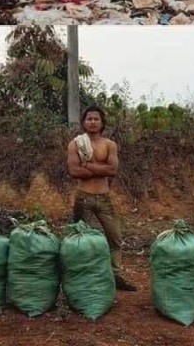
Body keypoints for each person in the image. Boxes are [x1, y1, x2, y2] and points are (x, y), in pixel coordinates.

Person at [67, 105, 138, 291]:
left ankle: (115, 275)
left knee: (115, 238)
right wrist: (100, 169)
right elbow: (74, 171)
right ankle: (81, 277)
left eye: (96, 119)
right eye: (89, 119)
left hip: (104, 198)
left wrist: (88, 165)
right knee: (80, 240)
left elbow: (113, 170)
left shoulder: (109, 145)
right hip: (84, 197)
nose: (92, 122)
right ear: (83, 122)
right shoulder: (76, 144)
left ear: (102, 122)